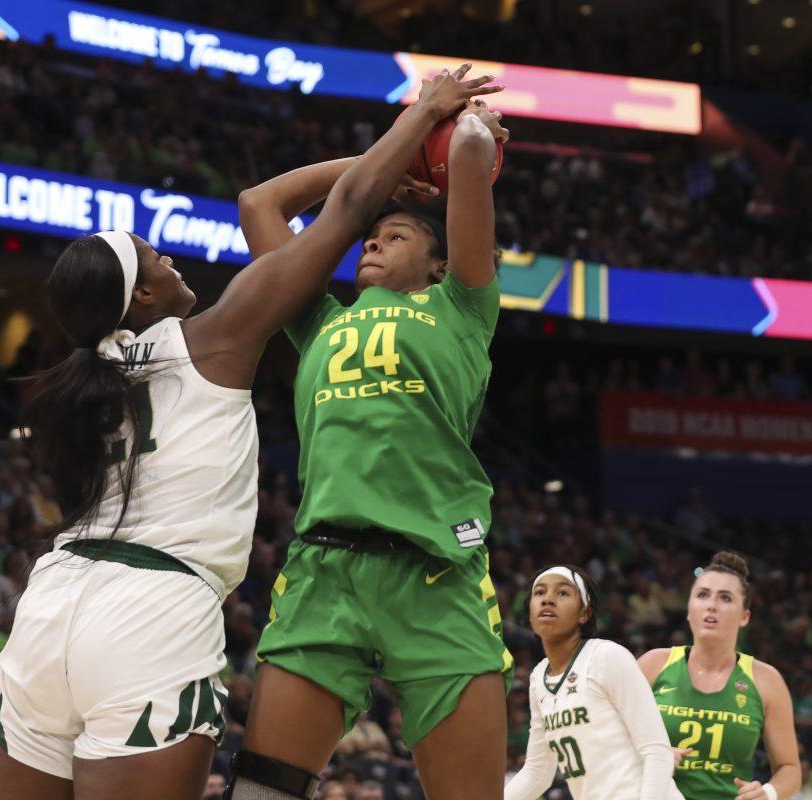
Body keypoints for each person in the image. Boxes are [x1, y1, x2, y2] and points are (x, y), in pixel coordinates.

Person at [0, 66, 498, 800]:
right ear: (140, 294)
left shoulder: (83, 378)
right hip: (180, 600)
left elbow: (273, 201)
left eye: (396, 235)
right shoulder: (223, 335)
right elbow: (331, 207)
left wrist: (435, 151)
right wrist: (421, 126)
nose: (174, 259)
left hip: (55, 599)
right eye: (159, 259)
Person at [230, 67, 511, 800]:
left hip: (438, 576)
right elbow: (261, 203)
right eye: (368, 236)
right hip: (326, 570)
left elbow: (475, 156)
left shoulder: (462, 307)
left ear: (441, 262)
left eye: (394, 235)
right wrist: (393, 162)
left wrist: (452, 129)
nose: (370, 244)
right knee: (260, 792)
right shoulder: (317, 317)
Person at [504, 565, 682, 800]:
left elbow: (657, 751)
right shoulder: (538, 677)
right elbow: (537, 772)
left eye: (562, 593)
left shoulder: (606, 656)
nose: (548, 599)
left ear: (584, 613)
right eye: (540, 593)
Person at [638, 552, 802, 800]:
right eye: (702, 595)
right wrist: (651, 758)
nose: (711, 604)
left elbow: (790, 769)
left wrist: (768, 792)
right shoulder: (652, 665)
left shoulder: (766, 680)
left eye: (725, 598)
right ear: (689, 610)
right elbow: (608, 741)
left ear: (745, 616)